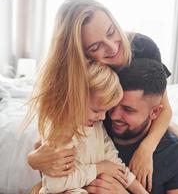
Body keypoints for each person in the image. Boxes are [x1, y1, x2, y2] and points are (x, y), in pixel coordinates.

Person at [27, 0, 178, 192]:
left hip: (139, 118)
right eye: (95, 47)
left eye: (111, 32)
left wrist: (146, 148)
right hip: (98, 127)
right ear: (82, 56)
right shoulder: (81, 73)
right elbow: (53, 127)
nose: (112, 47)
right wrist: (33, 159)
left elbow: (161, 108)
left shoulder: (144, 48)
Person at [86, 58, 178, 194]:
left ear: (155, 112)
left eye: (128, 109)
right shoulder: (92, 124)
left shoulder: (176, 155)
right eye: (112, 104)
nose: (113, 116)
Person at [29, 62, 148, 194]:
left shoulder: (96, 125)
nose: (103, 117)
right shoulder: (60, 132)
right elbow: (56, 185)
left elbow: (113, 162)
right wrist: (99, 169)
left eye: (106, 111)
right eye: (96, 110)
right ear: (76, 99)